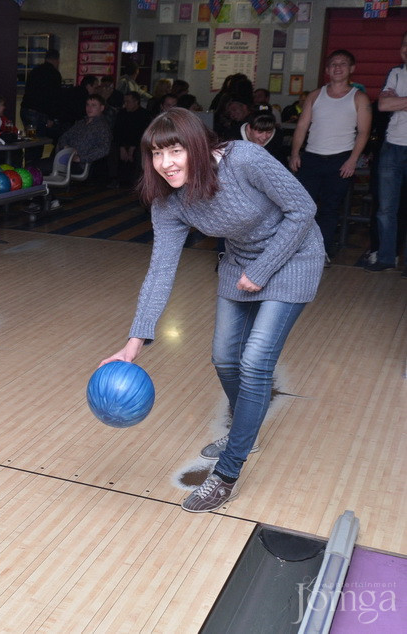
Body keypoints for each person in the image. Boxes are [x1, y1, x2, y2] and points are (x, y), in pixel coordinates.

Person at [99, 108, 323, 513]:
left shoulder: (244, 159)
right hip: (240, 264)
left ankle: (226, 473)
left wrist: (262, 270)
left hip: (294, 258)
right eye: (156, 153)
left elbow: (303, 209)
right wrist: (134, 343)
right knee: (224, 358)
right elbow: (160, 271)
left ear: (198, 146)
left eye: (175, 150)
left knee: (255, 362)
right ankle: (245, 430)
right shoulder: (169, 203)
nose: (166, 163)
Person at [290, 49, 372, 259]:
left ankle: (322, 252)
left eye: (343, 63)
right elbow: (302, 126)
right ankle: (297, 250)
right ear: (327, 69)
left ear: (352, 69)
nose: (338, 67)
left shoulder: (359, 97)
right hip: (311, 157)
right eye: (334, 64)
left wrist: (352, 160)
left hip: (340, 160)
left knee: (330, 208)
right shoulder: (315, 95)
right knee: (302, 207)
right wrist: (295, 153)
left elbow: (364, 132)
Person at [371, 30, 407, 274]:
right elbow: (383, 105)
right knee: (386, 209)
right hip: (391, 147)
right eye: (404, 44)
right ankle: (386, 257)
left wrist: (399, 100)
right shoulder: (395, 73)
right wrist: (393, 101)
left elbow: (392, 102)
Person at [21, 49, 63, 162]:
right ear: (57, 60)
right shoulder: (54, 74)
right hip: (39, 113)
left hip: (26, 110)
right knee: (38, 143)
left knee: (31, 141)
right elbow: (54, 97)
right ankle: (34, 167)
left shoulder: (35, 71)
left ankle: (28, 165)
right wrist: (51, 117)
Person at [113, 91, 152, 186]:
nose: (125, 104)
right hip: (123, 143)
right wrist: (122, 147)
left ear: (136, 102)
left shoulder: (145, 114)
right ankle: (116, 179)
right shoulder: (122, 113)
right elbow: (117, 131)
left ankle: (135, 181)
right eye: (125, 102)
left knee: (139, 154)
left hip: (138, 144)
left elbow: (143, 133)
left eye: (128, 101)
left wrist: (132, 147)